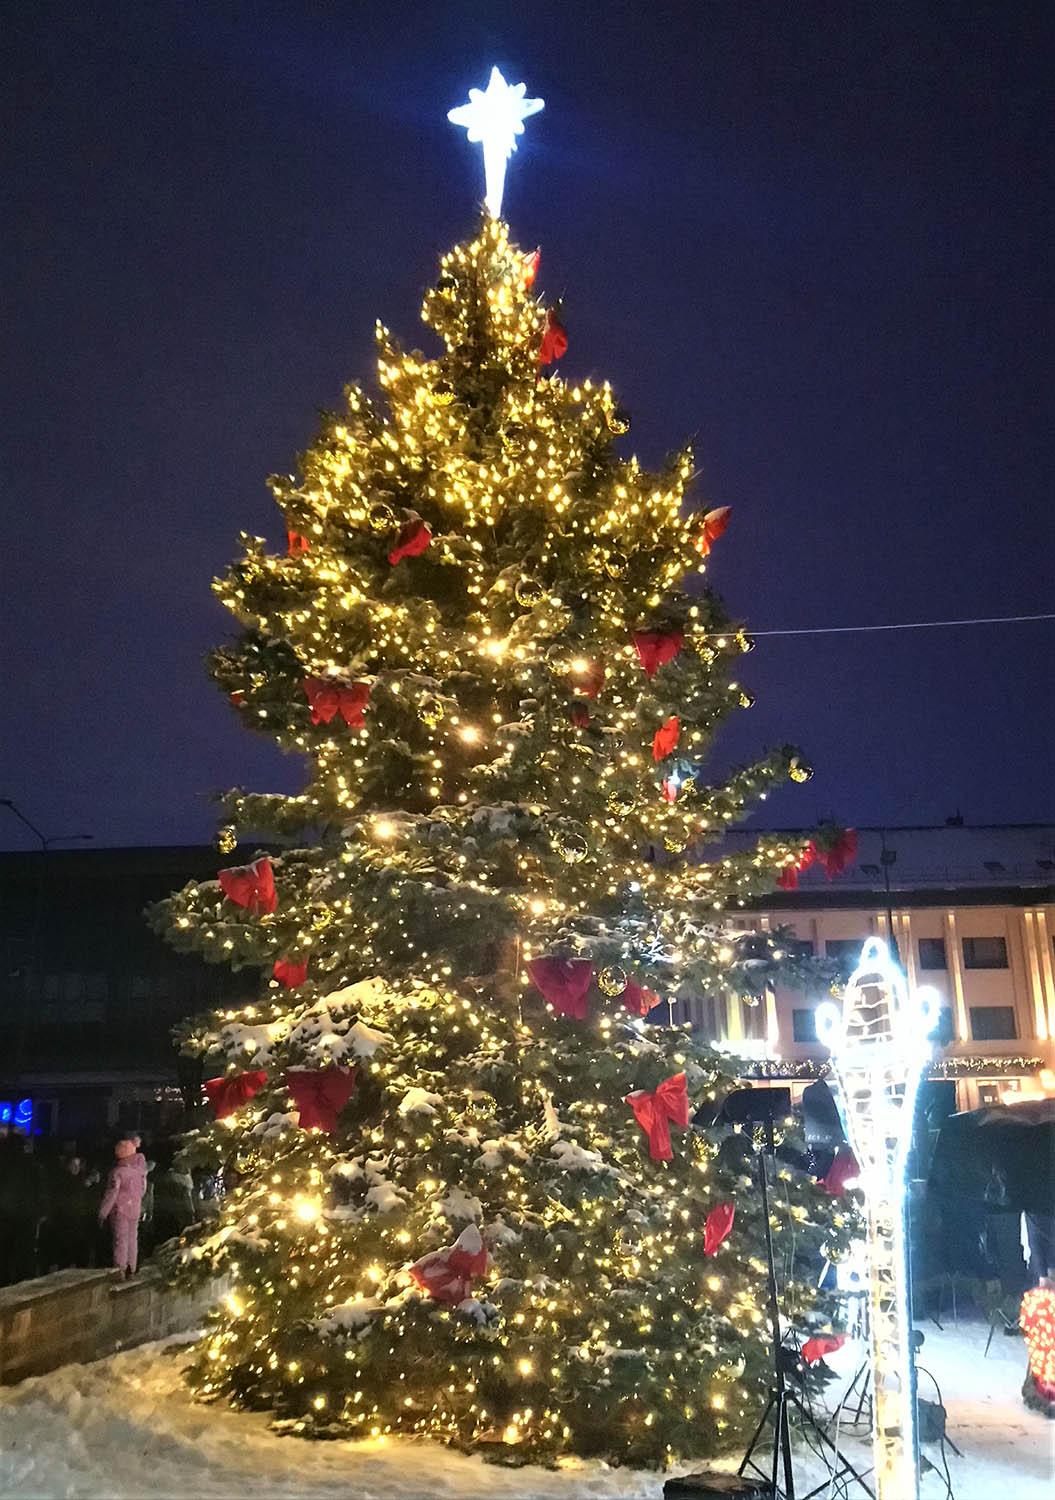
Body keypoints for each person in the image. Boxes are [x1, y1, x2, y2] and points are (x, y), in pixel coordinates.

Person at [98, 1138, 146, 1277]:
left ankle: (120, 1269)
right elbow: (142, 1191)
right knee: (132, 1239)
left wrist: (102, 1213)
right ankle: (132, 1266)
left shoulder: (117, 1172)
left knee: (121, 1240)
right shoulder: (139, 1172)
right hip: (135, 1209)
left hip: (120, 1210)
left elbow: (111, 1194)